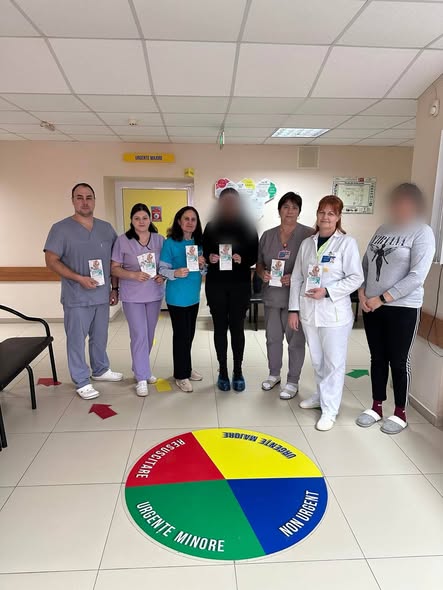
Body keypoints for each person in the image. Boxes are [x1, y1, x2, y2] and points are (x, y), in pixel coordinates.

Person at [356, 183, 435, 434]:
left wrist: (382, 298)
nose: (400, 206)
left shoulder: (422, 232)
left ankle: (400, 412)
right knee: (377, 358)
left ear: (415, 205)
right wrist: (362, 292)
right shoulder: (383, 229)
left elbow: (417, 276)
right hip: (372, 306)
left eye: (405, 202)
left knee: (399, 362)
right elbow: (366, 264)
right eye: (396, 201)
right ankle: (376, 406)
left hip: (402, 308)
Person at [288, 195, 363, 431]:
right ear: (317, 215)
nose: (326, 217)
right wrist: (293, 309)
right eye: (322, 212)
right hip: (310, 313)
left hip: (334, 315)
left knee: (333, 363)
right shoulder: (307, 243)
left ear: (338, 217)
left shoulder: (346, 243)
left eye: (331, 213)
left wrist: (328, 291)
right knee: (318, 360)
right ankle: (321, 397)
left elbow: (356, 278)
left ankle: (330, 410)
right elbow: (297, 278)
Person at [44, 182, 123, 400]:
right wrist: (79, 278)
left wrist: (115, 288)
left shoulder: (106, 228)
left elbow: (115, 261)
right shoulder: (60, 229)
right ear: (73, 201)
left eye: (89, 197)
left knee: (100, 336)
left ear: (95, 200)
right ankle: (81, 379)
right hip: (76, 296)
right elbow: (51, 260)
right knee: (76, 339)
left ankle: (100, 369)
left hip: (102, 294)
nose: (85, 202)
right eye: (79, 197)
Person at [256, 192, 314, 399]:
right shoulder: (267, 235)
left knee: (295, 341)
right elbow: (259, 263)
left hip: (296, 299)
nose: (290, 211)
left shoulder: (309, 235)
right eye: (286, 207)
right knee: (272, 338)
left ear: (299, 211)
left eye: (294, 207)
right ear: (279, 209)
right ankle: (274, 374)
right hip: (272, 296)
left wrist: (297, 277)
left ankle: (292, 381)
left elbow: (315, 267)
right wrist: (262, 273)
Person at [203, 188, 259, 392]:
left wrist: (242, 259)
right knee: (219, 328)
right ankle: (223, 371)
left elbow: (254, 256)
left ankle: (237, 370)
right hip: (216, 284)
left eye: (232, 203)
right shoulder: (211, 227)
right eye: (225, 203)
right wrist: (210, 257)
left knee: (237, 329)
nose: (229, 206)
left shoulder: (248, 227)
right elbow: (204, 252)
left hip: (239, 285)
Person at [111, 204, 165, 397]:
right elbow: (114, 268)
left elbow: (166, 265)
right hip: (132, 295)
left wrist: (162, 276)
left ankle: (141, 369)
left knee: (149, 334)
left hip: (154, 294)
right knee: (139, 334)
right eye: (137, 218)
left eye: (144, 218)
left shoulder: (159, 240)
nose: (141, 221)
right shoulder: (122, 241)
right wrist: (133, 275)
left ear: (150, 219)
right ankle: (142, 378)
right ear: (131, 220)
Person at [159, 207, 206, 393]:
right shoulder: (170, 243)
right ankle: (180, 375)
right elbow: (162, 270)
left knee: (190, 335)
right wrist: (175, 273)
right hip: (177, 298)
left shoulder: (198, 243)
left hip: (193, 296)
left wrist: (203, 265)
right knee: (181, 336)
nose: (190, 222)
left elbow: (203, 271)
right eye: (186, 219)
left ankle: (186, 368)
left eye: (193, 219)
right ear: (179, 221)